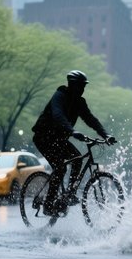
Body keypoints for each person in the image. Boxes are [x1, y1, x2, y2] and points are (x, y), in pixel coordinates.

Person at [31, 70, 116, 214]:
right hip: (43, 137)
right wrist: (72, 131)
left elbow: (91, 120)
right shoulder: (59, 96)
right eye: (80, 86)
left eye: (84, 86)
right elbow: (58, 115)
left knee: (77, 160)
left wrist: (106, 135)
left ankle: (68, 194)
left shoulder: (79, 102)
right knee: (60, 168)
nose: (82, 89)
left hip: (59, 139)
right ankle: (48, 204)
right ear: (71, 85)